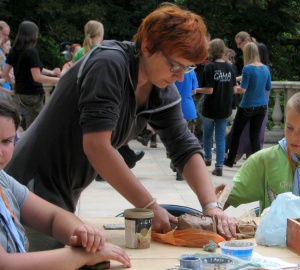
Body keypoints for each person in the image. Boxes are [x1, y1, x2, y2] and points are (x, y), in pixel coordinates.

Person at [5, 4, 236, 251]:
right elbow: (96, 147)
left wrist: (211, 206)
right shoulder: (109, 64)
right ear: (147, 46)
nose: (180, 77)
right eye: (175, 65)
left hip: (64, 191)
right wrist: (149, 205)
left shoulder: (160, 84)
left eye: (188, 68)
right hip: (29, 186)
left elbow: (184, 145)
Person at [0, 95, 131, 268]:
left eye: (6, 141)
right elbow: (6, 264)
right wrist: (80, 256)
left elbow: (53, 217)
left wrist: (81, 233)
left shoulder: (4, 181)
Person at [218, 90, 300, 215]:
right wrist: (214, 207)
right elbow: (225, 199)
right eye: (289, 127)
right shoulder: (264, 160)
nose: (293, 137)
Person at [2, 21, 60, 129]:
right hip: (33, 95)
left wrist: (13, 83)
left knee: (22, 123)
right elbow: (37, 76)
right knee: (36, 127)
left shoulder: (14, 51)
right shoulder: (31, 52)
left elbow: (5, 73)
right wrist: (59, 80)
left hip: (19, 94)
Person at [224, 42, 271, 167]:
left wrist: (233, 87)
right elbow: (268, 86)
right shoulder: (265, 68)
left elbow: (243, 89)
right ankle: (256, 164)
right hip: (262, 106)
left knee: (236, 134)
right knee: (254, 136)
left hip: (248, 106)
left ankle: (229, 161)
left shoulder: (248, 68)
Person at [196, 39, 237, 177]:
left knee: (207, 134)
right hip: (225, 107)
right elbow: (234, 89)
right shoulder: (230, 67)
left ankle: (207, 157)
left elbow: (209, 90)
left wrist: (196, 90)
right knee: (220, 138)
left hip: (210, 106)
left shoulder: (209, 67)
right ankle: (219, 166)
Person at [174, 65, 199, 180]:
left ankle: (176, 164)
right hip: (189, 108)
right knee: (188, 142)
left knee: (175, 140)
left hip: (174, 109)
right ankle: (183, 169)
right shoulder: (191, 72)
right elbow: (194, 90)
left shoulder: (173, 71)